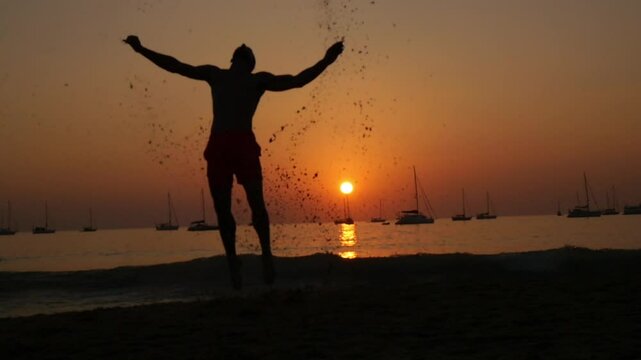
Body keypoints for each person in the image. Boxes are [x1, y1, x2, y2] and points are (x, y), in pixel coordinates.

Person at [124, 35, 344, 289]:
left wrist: (327, 60)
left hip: (234, 145)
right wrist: (142, 50)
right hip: (226, 145)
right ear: (242, 62)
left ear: (242, 62)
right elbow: (176, 66)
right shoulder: (230, 76)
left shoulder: (241, 78)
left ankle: (254, 260)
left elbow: (296, 81)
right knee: (234, 208)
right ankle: (247, 261)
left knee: (245, 207)